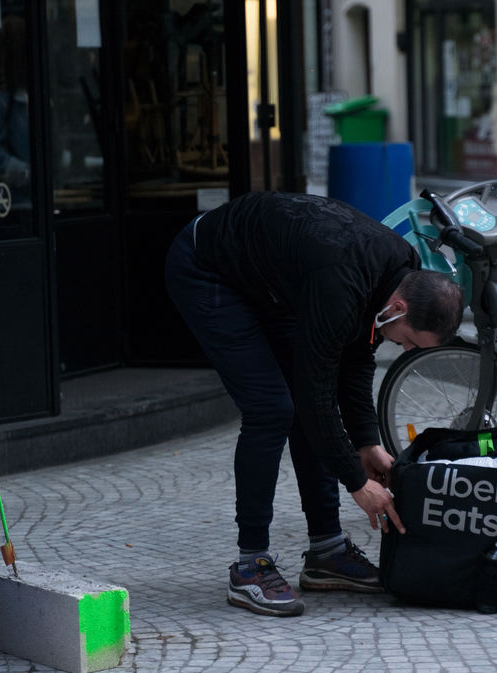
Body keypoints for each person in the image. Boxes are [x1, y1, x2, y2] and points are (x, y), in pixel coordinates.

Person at [164, 191, 464, 616]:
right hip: (207, 267)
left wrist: (366, 442)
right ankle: (250, 566)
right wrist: (357, 483)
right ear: (399, 308)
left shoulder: (402, 270)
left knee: (306, 401)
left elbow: (356, 355)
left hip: (273, 278)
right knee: (272, 409)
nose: (405, 349)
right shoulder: (341, 283)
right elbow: (315, 395)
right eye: (411, 341)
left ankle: (327, 550)